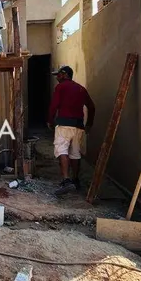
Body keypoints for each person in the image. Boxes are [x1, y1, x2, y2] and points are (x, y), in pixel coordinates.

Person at [47, 65, 95, 195]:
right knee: (75, 153)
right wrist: (89, 123)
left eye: (59, 75)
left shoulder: (61, 87)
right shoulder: (81, 89)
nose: (57, 77)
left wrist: (50, 121)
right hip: (78, 125)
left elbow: (54, 105)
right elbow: (92, 106)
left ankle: (66, 180)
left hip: (64, 124)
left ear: (65, 75)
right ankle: (75, 180)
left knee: (61, 149)